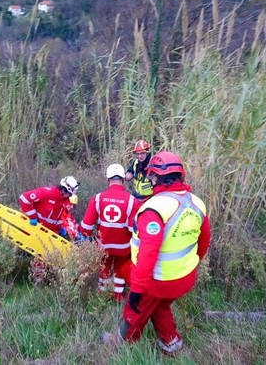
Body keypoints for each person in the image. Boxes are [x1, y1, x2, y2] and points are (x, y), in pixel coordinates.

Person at [103, 151, 211, 356]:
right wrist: (189, 265)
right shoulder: (197, 203)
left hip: (157, 279)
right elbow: (203, 242)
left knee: (135, 310)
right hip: (185, 276)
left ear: (154, 177)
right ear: (181, 175)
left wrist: (136, 290)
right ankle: (172, 344)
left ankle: (123, 342)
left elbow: (147, 254)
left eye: (151, 177)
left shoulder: (154, 208)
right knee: (159, 307)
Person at [79, 164, 138, 301]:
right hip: (123, 248)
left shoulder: (97, 199)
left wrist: (85, 236)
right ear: (123, 180)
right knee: (119, 269)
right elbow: (132, 229)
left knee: (104, 268)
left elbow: (87, 226)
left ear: (108, 180)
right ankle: (118, 295)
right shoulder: (132, 201)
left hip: (103, 246)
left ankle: (103, 295)